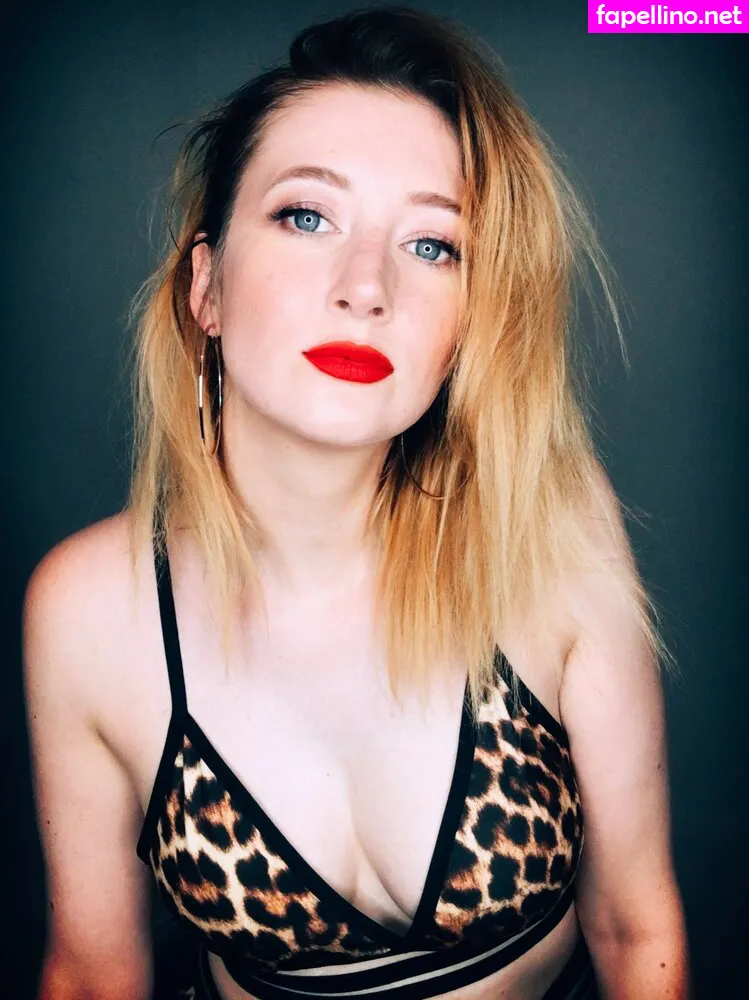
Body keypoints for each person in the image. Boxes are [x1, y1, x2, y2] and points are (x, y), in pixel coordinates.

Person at [23, 5, 690, 1000]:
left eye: (432, 244)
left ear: (467, 324)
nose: (366, 287)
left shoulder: (545, 525)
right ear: (205, 287)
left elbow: (636, 930)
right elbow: (90, 973)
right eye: (306, 217)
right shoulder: (87, 609)